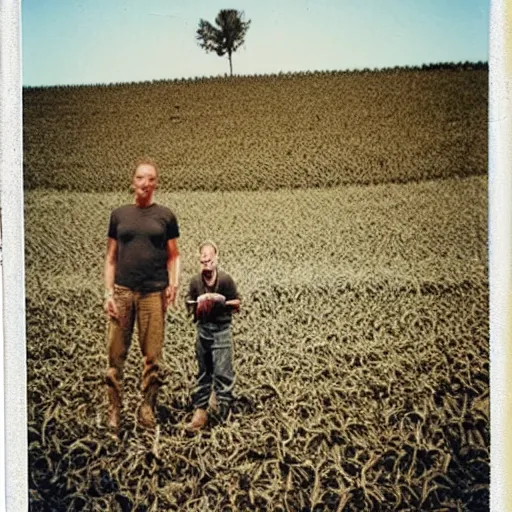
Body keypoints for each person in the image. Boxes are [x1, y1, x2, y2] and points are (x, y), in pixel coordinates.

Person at [103, 157, 181, 430]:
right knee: (115, 355)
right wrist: (108, 293)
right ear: (132, 181)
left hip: (153, 294)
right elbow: (111, 258)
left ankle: (147, 407)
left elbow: (174, 255)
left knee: (153, 356)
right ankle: (115, 409)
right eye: (140, 178)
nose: (145, 183)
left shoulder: (166, 216)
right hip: (123, 293)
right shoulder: (119, 215)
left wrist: (173, 283)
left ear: (156, 183)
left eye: (150, 178)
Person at [185, 241, 241, 430]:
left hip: (222, 331)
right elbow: (189, 306)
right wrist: (198, 305)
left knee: (223, 373)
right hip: (203, 331)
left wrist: (220, 302)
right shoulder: (195, 282)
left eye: (209, 258)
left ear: (216, 258)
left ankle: (224, 414)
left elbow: (237, 304)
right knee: (204, 373)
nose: (206, 262)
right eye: (203, 259)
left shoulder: (225, 280)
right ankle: (200, 413)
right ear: (199, 260)